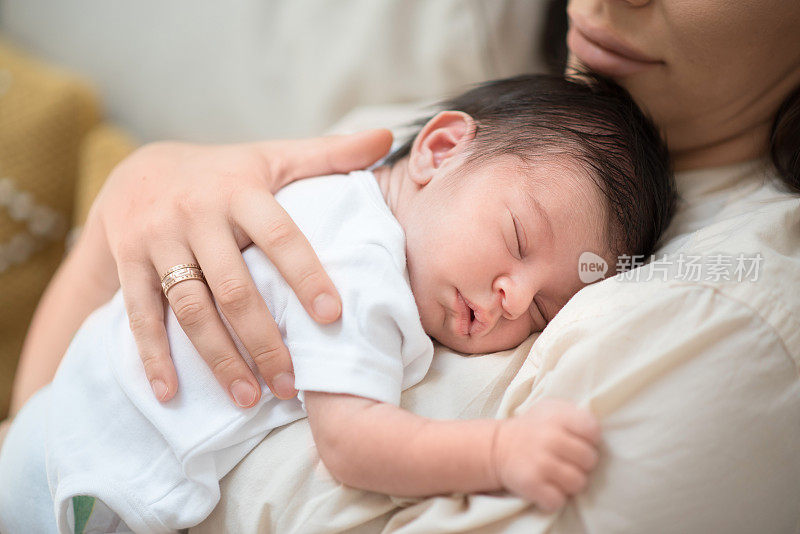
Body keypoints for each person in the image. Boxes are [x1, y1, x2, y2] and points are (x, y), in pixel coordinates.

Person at [3, 0, 800, 532]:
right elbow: (352, 442)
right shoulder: (367, 250)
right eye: (518, 241)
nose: (515, 298)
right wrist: (126, 205)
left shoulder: (734, 321)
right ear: (441, 147)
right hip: (67, 483)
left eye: (545, 311)